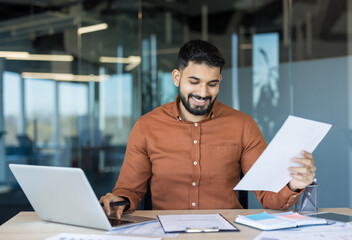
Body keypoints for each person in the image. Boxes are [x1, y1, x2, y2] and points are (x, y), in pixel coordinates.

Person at [100, 39, 316, 219]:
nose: (203, 93)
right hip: (167, 232)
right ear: (177, 78)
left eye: (212, 84)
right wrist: (119, 202)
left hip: (229, 233)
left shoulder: (243, 125)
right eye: (194, 82)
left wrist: (293, 185)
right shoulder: (146, 127)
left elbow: (270, 197)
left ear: (219, 81)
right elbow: (129, 191)